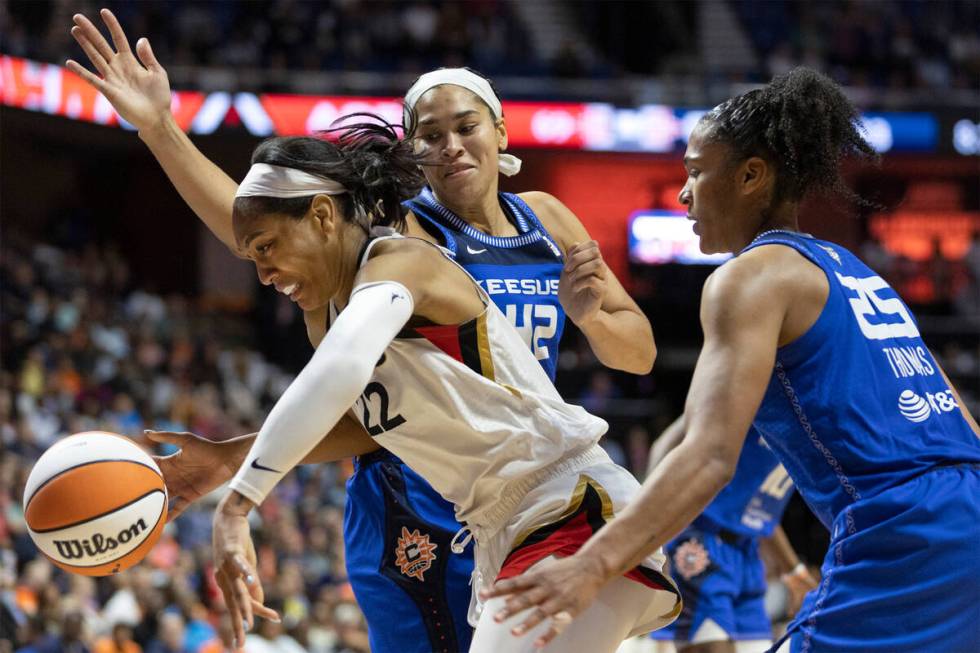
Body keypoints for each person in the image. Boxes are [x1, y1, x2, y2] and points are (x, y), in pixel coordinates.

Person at [67, 11, 655, 652]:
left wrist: (591, 315)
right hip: (429, 495)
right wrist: (161, 130)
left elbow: (640, 353)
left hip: (539, 489)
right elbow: (265, 227)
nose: (452, 145)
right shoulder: (395, 235)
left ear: (500, 130)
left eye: (466, 127)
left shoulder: (537, 220)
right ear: (411, 149)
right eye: (430, 135)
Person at [483, 67, 980, 652]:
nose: (684, 193)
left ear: (750, 176)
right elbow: (963, 422)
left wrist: (591, 566)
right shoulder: (857, 270)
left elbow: (710, 455)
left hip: (904, 530)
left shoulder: (749, 278)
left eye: (696, 171)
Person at [202, 126, 679, 651]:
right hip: (506, 527)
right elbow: (355, 421)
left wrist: (239, 502)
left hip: (564, 505)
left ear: (321, 215)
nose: (265, 273)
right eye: (252, 258)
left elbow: (339, 370)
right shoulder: (332, 314)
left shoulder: (401, 263)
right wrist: (229, 459)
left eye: (268, 247)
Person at [647, 418, 816, 653]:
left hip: (747, 549)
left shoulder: (810, 424)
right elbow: (664, 445)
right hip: (701, 539)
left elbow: (756, 510)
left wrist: (794, 570)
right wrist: (652, 536)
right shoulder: (761, 391)